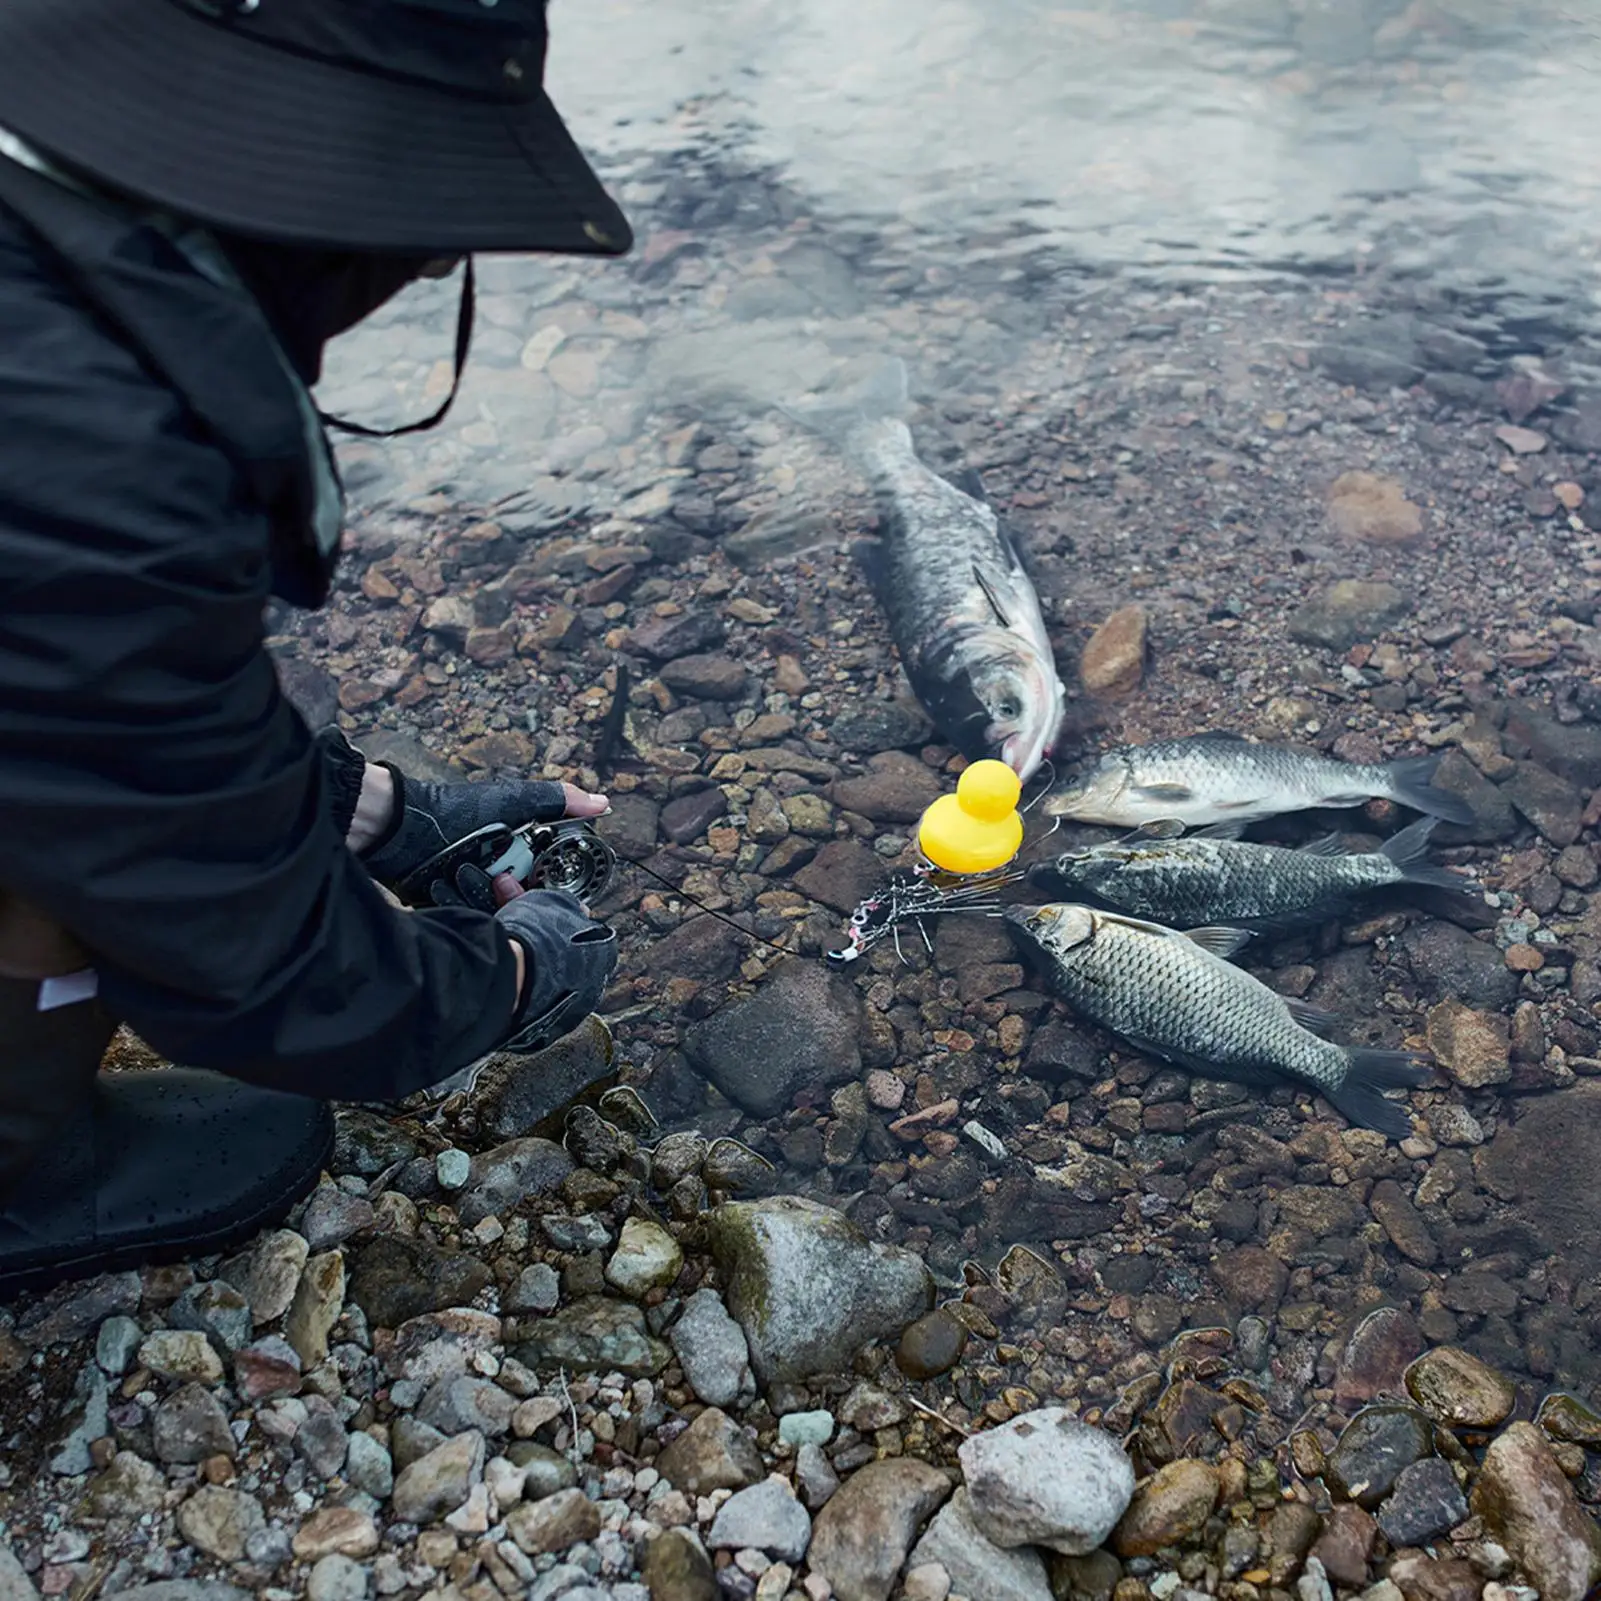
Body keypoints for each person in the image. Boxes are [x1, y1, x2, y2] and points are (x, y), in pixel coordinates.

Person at [0, 0, 636, 1295]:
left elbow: (64, 716)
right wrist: (506, 977)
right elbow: (247, 959)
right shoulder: (100, 459)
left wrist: (371, 813)